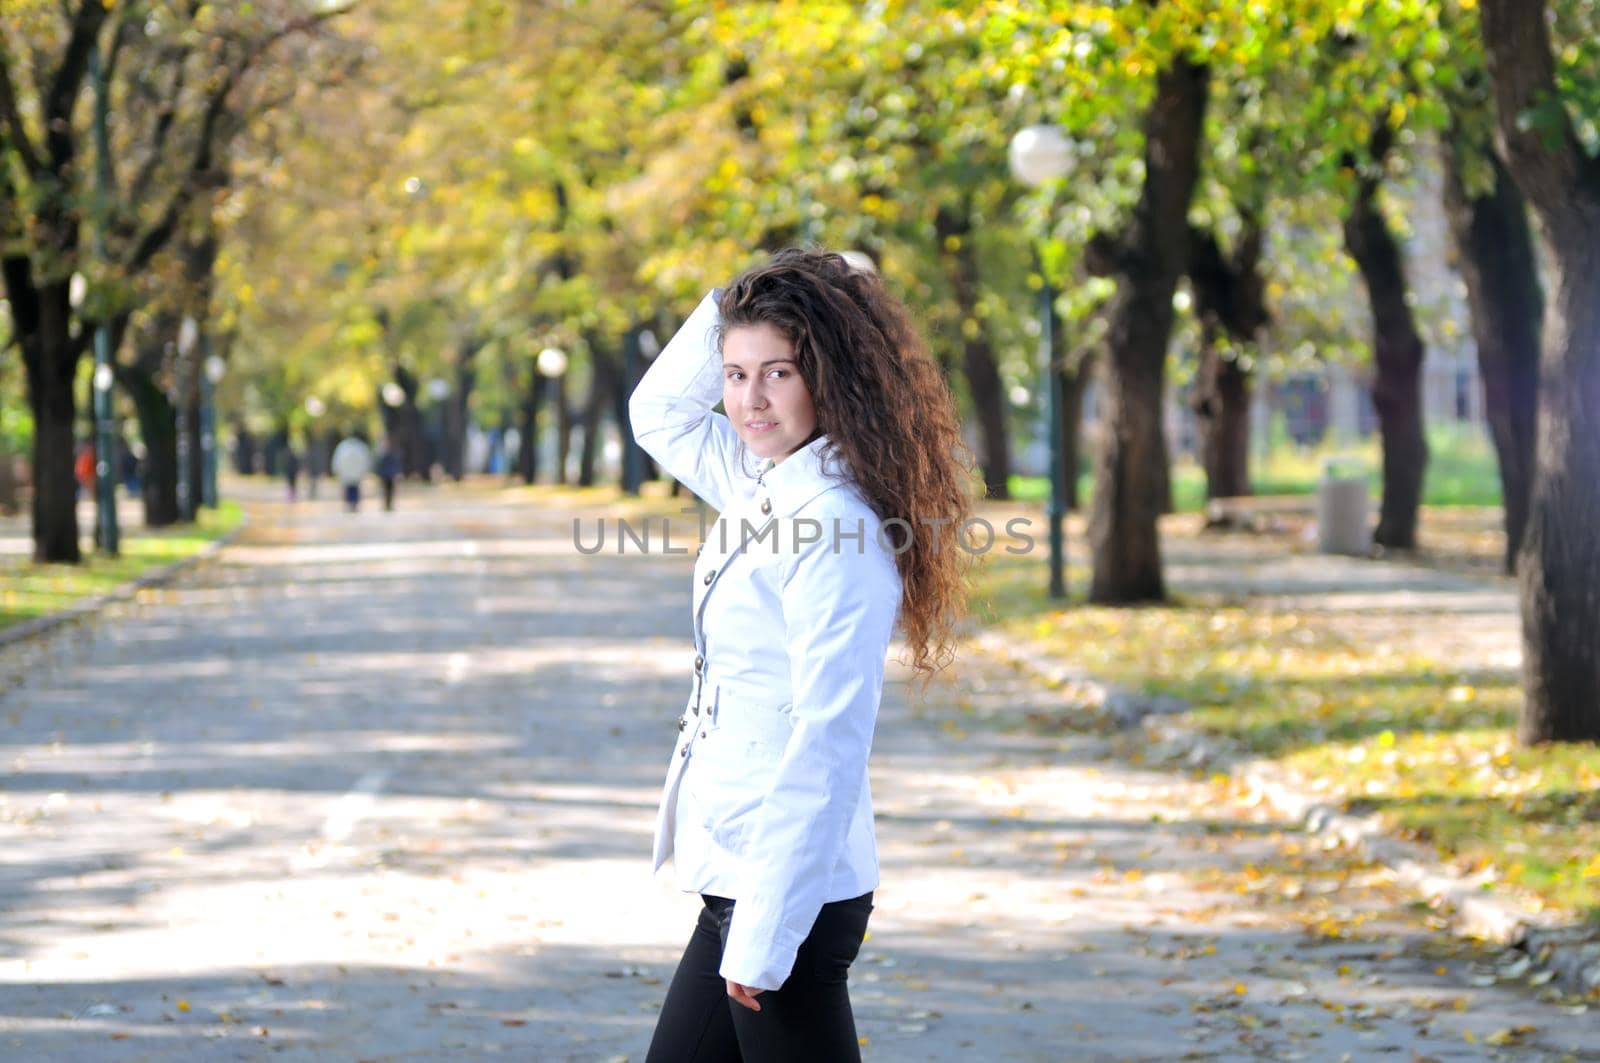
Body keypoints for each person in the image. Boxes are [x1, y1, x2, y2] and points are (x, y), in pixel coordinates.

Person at [630, 249, 973, 1062]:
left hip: (785, 892)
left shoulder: (833, 525)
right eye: (735, 373)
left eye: (777, 372)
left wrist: (765, 931)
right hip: (741, 878)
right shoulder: (764, 481)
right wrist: (753, 289)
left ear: (829, 375)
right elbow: (659, 412)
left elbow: (829, 735)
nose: (749, 400)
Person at [330, 432, 372, 512]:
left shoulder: (343, 446)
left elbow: (337, 460)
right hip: (355, 472)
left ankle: (350, 504)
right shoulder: (360, 447)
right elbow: (365, 460)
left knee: (350, 488)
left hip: (347, 473)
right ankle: (353, 504)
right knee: (354, 488)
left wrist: (336, 470)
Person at [376, 443, 400, 512]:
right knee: (385, 491)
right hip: (385, 476)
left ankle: (389, 505)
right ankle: (386, 505)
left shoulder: (392, 455)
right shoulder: (383, 455)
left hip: (390, 476)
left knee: (390, 492)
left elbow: (395, 466)